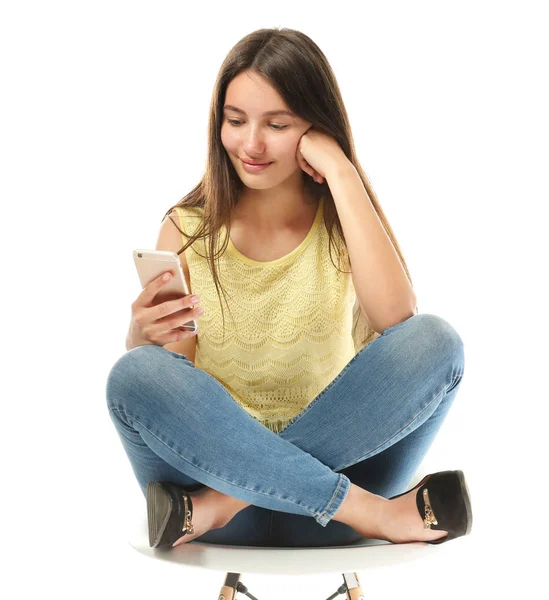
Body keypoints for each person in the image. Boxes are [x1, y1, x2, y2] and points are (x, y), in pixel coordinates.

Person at [106, 27, 471, 550]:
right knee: (135, 373)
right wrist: (143, 338)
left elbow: (398, 321)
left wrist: (342, 172)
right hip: (228, 483)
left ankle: (230, 502)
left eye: (277, 124)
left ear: (314, 129)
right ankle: (378, 516)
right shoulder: (188, 228)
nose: (250, 144)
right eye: (235, 121)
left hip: (215, 510)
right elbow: (176, 374)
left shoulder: (343, 220)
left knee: (437, 340)